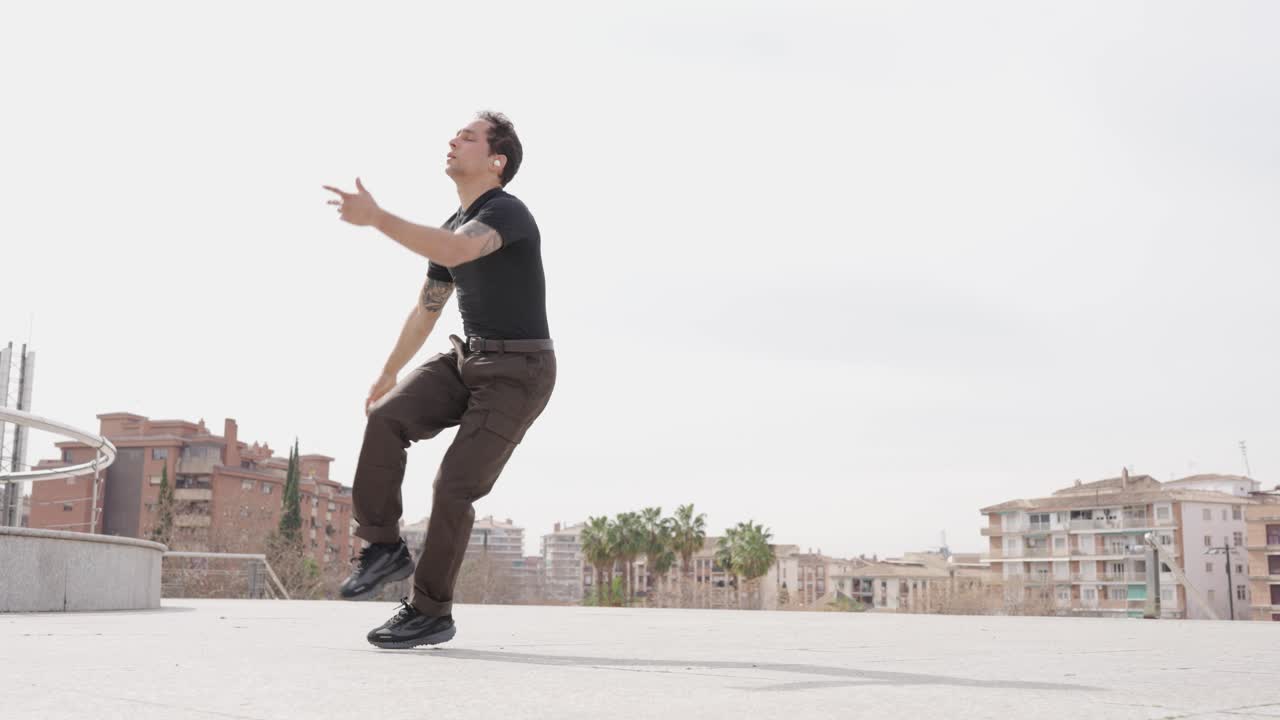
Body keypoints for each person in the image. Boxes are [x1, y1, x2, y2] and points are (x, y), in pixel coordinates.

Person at [322, 111, 555, 649]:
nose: (453, 140)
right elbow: (428, 308)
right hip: (469, 359)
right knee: (386, 417)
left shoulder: (506, 212)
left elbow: (457, 252)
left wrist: (377, 218)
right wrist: (388, 372)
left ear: (496, 161)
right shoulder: (452, 222)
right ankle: (383, 547)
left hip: (519, 373)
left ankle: (429, 612)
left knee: (453, 486)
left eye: (468, 137)